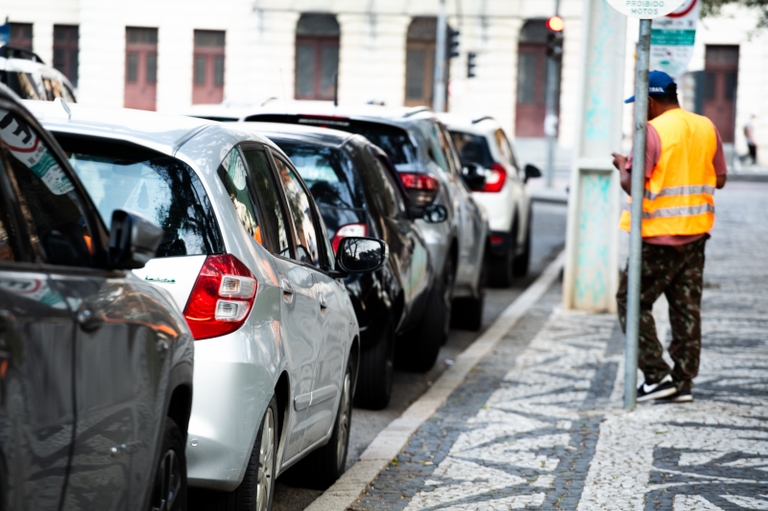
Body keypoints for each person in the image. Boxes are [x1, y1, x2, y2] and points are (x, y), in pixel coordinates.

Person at [611, 71, 727, 404]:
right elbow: (719, 179)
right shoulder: (706, 126)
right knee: (686, 308)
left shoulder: (649, 131)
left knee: (630, 302)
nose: (637, 111)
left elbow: (633, 184)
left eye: (638, 104)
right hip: (695, 237)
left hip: (657, 239)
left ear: (649, 100)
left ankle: (656, 376)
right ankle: (683, 382)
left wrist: (622, 166)